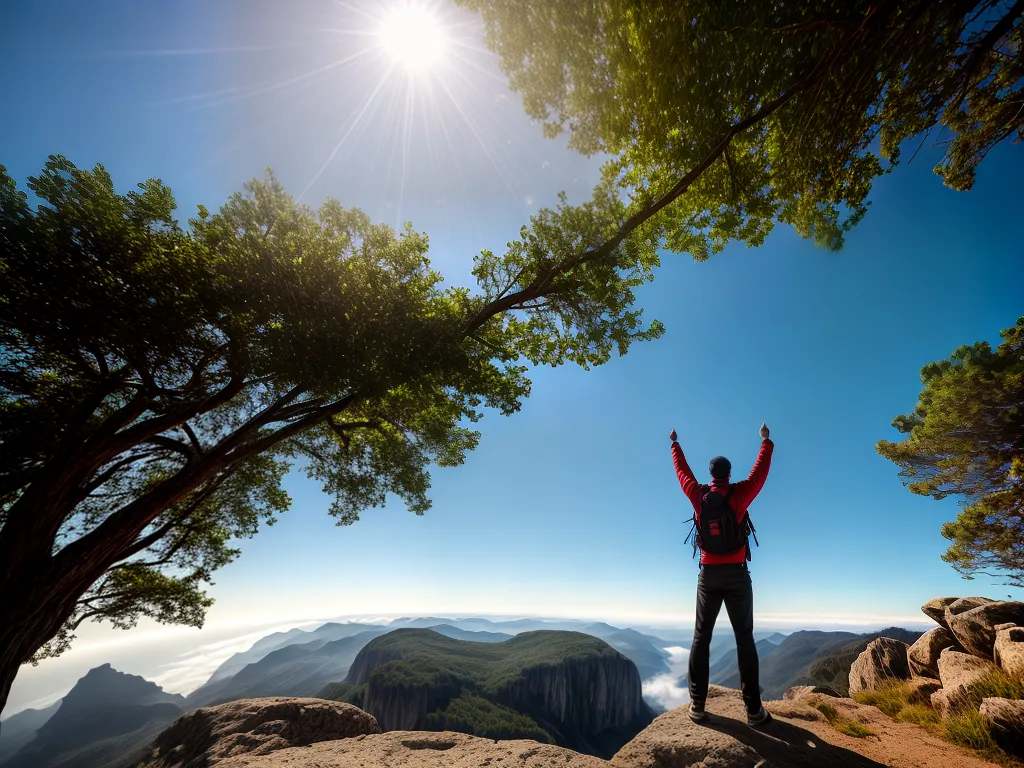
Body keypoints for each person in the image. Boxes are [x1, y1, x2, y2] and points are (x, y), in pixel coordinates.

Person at [669, 422, 774, 727]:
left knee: (701, 637)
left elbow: (682, 473)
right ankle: (754, 711)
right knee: (745, 639)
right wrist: (765, 441)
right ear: (728, 474)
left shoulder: (697, 494)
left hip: (708, 576)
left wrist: (675, 444)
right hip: (737, 576)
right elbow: (760, 472)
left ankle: (698, 706)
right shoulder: (740, 494)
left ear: (711, 474)